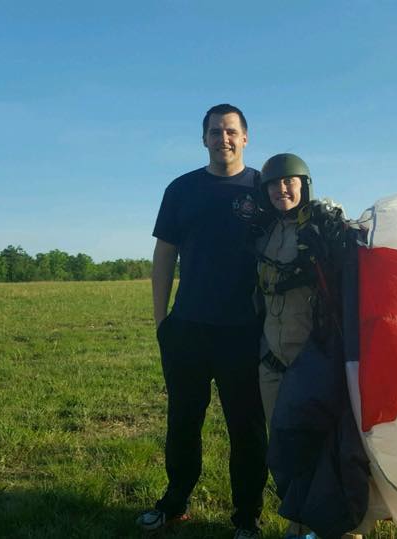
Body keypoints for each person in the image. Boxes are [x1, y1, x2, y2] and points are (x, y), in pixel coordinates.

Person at [138, 104, 267, 538]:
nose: (223, 138)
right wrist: (162, 322)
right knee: (183, 422)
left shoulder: (263, 189)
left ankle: (247, 515)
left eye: (231, 131)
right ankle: (175, 502)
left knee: (247, 429)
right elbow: (164, 257)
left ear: (245, 137)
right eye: (215, 132)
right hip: (188, 328)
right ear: (204, 139)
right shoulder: (182, 189)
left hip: (243, 331)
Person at [253, 153, 367, 539]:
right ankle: (298, 522)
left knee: (326, 446)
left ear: (304, 185)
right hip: (272, 363)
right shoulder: (265, 232)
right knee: (284, 450)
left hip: (314, 363)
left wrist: (335, 229)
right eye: (273, 184)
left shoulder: (325, 227)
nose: (281, 189)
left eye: (289, 182)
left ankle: (340, 528)